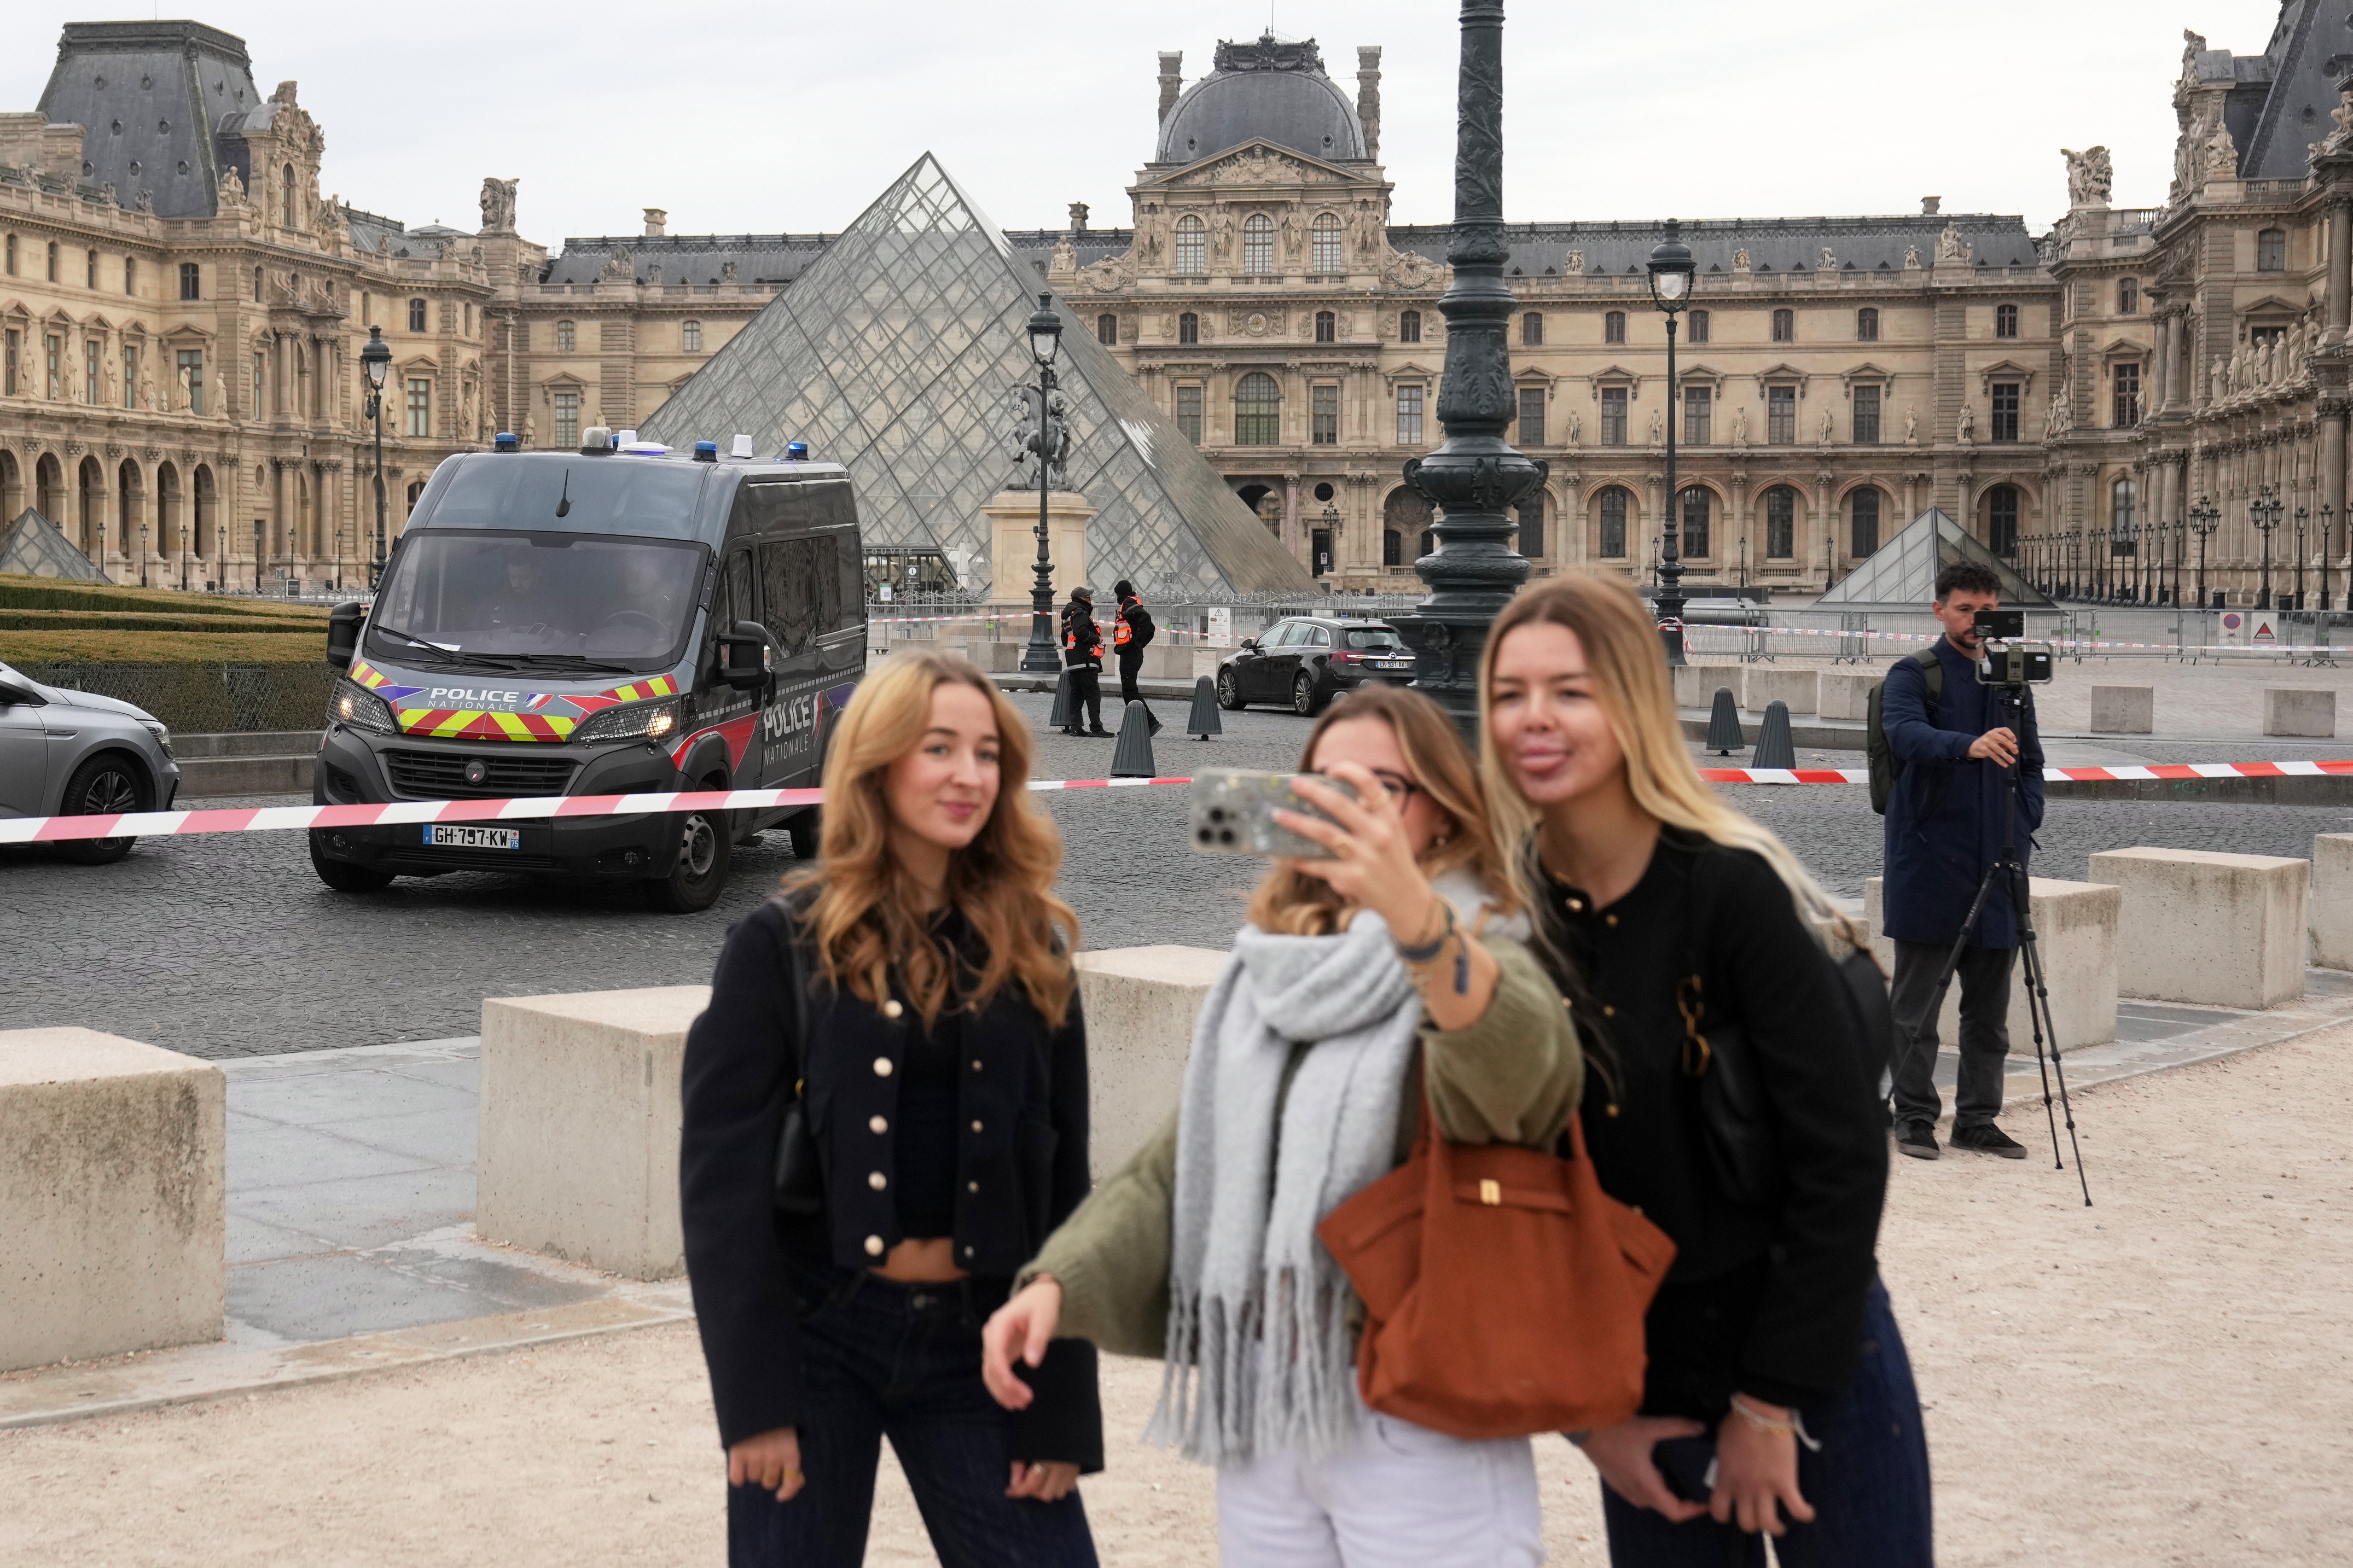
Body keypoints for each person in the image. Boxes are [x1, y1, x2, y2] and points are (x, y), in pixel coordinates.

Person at [980, 685, 1583, 1568]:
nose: (1346, 811)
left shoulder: (1485, 949)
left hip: (1414, 1392)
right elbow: (1182, 1163)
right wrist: (1058, 1283)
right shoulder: (1268, 966)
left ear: (1445, 817)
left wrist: (1413, 914)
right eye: (1325, 786)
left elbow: (1518, 1076)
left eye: (1381, 787)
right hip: (1266, 1393)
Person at [1480, 574, 1930, 1566]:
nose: (1534, 718)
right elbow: (1500, 1203)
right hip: (1640, 1384)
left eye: (1570, 690)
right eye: (1510, 693)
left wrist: (1770, 1408)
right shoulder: (1507, 925)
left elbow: (1843, 1160)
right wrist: (1590, 1424)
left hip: (1812, 1358)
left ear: (1632, 701)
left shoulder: (1731, 890)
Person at [679, 650, 1103, 1568]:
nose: (968, 774)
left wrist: (1063, 1408)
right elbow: (722, 1194)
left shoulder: (1033, 948)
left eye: (987, 753)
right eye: (938, 747)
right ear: (876, 762)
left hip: (983, 1340)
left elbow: (1064, 1184)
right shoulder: (777, 944)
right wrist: (754, 1405)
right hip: (816, 1335)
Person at [1881, 559, 2046, 1162]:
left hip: (1998, 857)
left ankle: (1977, 1117)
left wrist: (2026, 818)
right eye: (1964, 609)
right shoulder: (1912, 674)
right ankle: (1915, 1115)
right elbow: (1903, 736)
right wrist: (1966, 745)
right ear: (1939, 610)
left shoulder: (2011, 681)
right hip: (1928, 860)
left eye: (1986, 610)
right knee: (1917, 1004)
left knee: (1989, 1010)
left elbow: (2030, 761)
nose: (1977, 621)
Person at [1112, 579, 1161, 734]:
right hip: (1131, 652)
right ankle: (1141, 723)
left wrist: (1137, 643)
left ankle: (1147, 723)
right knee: (1130, 689)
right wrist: (1139, 644)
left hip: (1130, 653)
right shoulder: (1132, 602)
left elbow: (1147, 622)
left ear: (1120, 594)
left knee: (1129, 690)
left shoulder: (1127, 604)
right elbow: (1149, 627)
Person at [1060, 586, 1108, 738]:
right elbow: (1081, 632)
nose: (1090, 600)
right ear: (1082, 599)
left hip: (1073, 661)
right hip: (1086, 659)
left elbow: (1064, 639)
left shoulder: (1068, 616)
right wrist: (1096, 639)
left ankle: (1076, 727)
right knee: (1093, 694)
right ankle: (1096, 727)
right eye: (1088, 597)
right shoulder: (1081, 613)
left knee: (1077, 694)